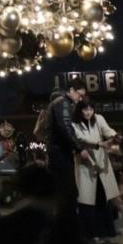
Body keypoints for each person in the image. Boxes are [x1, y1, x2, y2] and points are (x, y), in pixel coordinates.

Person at [73, 100, 120, 242]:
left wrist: (114, 137)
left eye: (90, 109)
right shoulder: (74, 123)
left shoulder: (99, 119)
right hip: (86, 164)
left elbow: (107, 130)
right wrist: (99, 143)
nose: (88, 112)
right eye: (85, 109)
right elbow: (80, 138)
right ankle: (90, 234)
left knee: (102, 197)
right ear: (79, 110)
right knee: (86, 201)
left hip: (100, 163)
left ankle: (106, 232)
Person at [41, 77, 89, 205]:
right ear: (71, 90)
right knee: (67, 192)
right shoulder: (63, 103)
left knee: (63, 191)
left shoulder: (60, 102)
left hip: (57, 151)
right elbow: (65, 126)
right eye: (80, 95)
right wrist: (79, 148)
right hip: (60, 152)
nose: (80, 99)